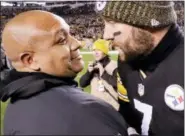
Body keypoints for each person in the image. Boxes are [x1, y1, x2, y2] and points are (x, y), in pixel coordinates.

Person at [0, 10, 129, 136]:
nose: (77, 43)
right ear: (30, 60)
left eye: (70, 34)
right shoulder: (86, 111)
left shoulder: (13, 110)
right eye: (62, 40)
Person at [97, 1, 184, 136]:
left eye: (112, 22)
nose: (106, 35)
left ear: (148, 20)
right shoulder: (127, 58)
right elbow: (127, 111)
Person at [80, 39, 119, 110]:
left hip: (111, 108)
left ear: (105, 51)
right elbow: (82, 84)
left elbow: (118, 85)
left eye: (98, 50)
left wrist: (103, 73)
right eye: (94, 50)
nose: (95, 52)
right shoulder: (93, 65)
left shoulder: (114, 66)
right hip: (95, 107)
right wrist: (88, 72)